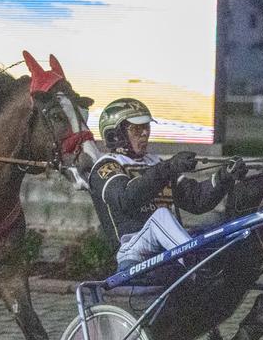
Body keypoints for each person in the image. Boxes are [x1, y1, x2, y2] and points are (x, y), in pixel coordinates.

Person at [86, 97, 247, 271]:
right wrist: (168, 167)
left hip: (165, 245)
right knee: (161, 216)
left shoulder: (155, 163)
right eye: (136, 129)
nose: (145, 133)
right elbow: (126, 199)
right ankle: (196, 264)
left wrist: (225, 176)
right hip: (132, 249)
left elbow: (197, 200)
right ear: (116, 135)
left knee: (217, 220)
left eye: (146, 127)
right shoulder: (107, 165)